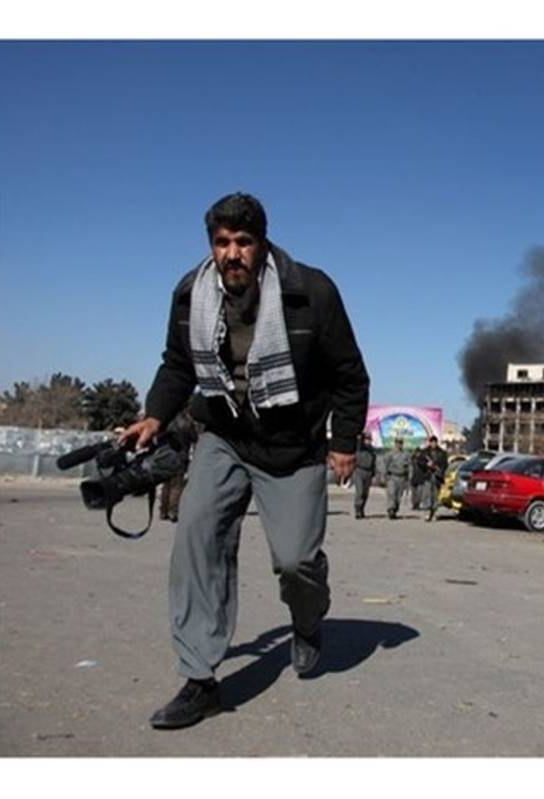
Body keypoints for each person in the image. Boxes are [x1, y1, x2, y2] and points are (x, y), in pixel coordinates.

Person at [121, 193, 369, 729]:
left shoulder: (312, 292)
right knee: (197, 537)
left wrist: (344, 442)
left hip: (293, 445)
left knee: (296, 562)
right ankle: (199, 678)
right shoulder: (190, 293)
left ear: (262, 243)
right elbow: (177, 365)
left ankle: (308, 620)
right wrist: (154, 416)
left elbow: (350, 375)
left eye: (243, 242)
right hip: (225, 434)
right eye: (221, 242)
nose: (232, 254)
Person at [159, 407, 199, 523]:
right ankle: (173, 511)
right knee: (177, 485)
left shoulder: (167, 421)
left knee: (166, 484)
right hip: (181, 456)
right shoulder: (187, 422)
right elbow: (194, 438)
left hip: (166, 456)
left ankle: (163, 511)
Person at [415, 435, 448, 521]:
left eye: (435, 442)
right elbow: (419, 462)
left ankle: (434, 512)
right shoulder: (424, 452)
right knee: (427, 495)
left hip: (437, 477)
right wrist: (427, 465)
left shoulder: (442, 453)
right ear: (429, 443)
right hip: (427, 476)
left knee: (435, 495)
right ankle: (427, 512)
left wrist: (439, 469)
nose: (433, 443)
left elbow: (445, 465)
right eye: (432, 442)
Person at [383, 438, 412, 519]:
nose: (399, 445)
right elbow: (385, 465)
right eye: (397, 443)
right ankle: (391, 509)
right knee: (391, 493)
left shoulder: (406, 454)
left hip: (402, 477)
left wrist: (410, 476)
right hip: (392, 477)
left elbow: (409, 466)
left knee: (398, 496)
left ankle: (395, 510)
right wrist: (384, 476)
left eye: (400, 443)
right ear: (395, 444)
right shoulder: (390, 454)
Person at [352, 432, 377, 519]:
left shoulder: (372, 451)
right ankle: (357, 509)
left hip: (368, 472)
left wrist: (374, 474)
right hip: (359, 471)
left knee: (365, 493)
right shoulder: (359, 448)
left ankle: (362, 508)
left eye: (369, 439)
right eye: (366, 439)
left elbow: (374, 463)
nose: (368, 441)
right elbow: (358, 441)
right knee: (359, 491)